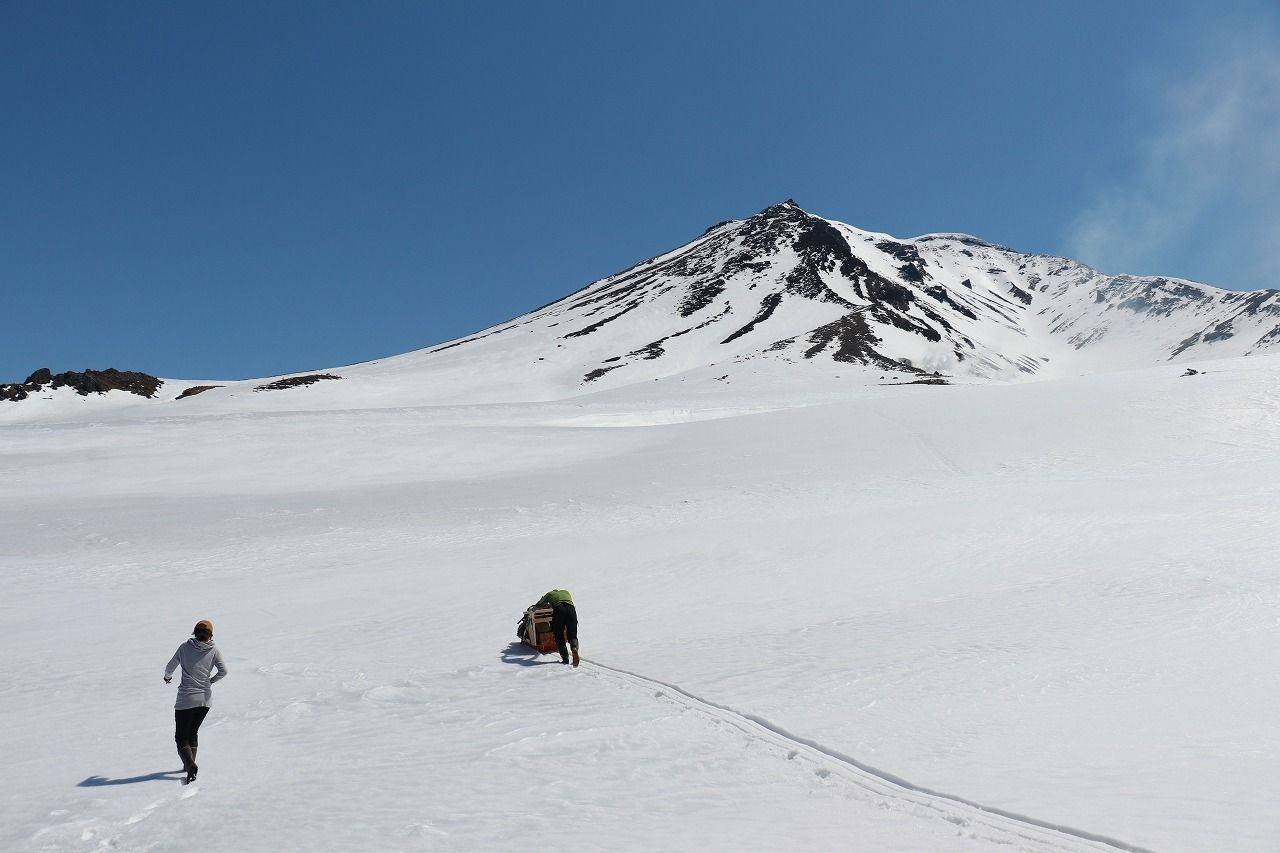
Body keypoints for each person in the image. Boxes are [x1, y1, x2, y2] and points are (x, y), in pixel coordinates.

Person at [164, 619, 228, 783]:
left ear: (195, 632)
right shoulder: (214, 650)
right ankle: (189, 764)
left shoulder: (185, 647)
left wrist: (167, 677)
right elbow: (223, 671)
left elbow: (171, 666)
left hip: (186, 699)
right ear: (210, 635)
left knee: (181, 736)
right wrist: (209, 682)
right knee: (192, 733)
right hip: (204, 701)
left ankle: (190, 764)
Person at [534, 589, 579, 667]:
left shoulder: (549, 594)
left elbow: (538, 605)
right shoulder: (566, 592)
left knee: (559, 635)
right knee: (572, 634)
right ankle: (574, 648)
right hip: (571, 609)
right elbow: (564, 603)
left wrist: (533, 609)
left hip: (559, 610)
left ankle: (565, 659)